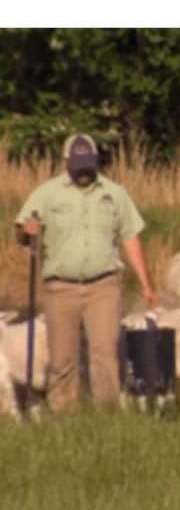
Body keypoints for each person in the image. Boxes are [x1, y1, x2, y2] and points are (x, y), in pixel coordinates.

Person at [14, 133, 157, 414]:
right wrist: (26, 231)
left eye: (87, 165)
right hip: (60, 288)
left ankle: (106, 414)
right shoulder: (47, 193)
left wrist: (145, 283)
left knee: (104, 354)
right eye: (77, 165)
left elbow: (130, 236)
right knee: (62, 359)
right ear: (66, 162)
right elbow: (21, 231)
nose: (83, 172)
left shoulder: (114, 193)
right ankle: (64, 416)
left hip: (103, 286)